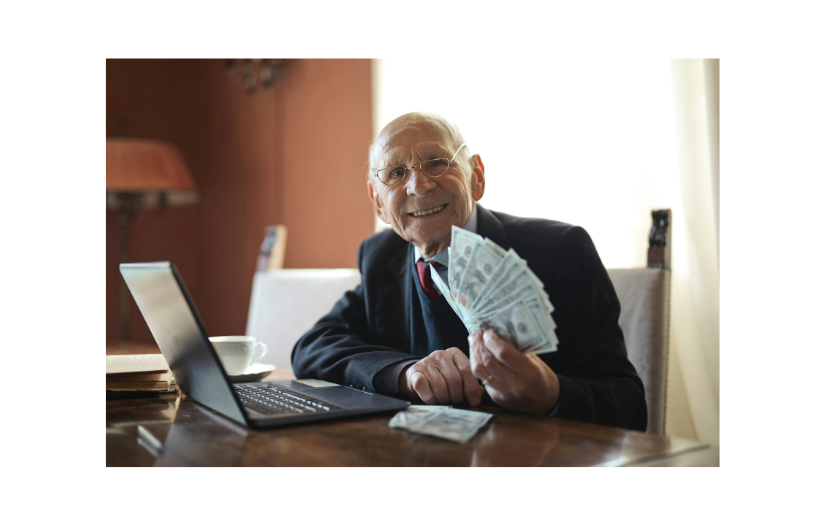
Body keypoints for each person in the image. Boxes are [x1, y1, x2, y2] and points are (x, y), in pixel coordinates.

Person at [291, 113, 647, 431]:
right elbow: (313, 346)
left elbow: (628, 405)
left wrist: (550, 393)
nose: (419, 185)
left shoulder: (560, 250)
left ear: (477, 176)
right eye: (397, 173)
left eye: (437, 163)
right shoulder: (382, 256)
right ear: (378, 202)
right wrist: (405, 372)